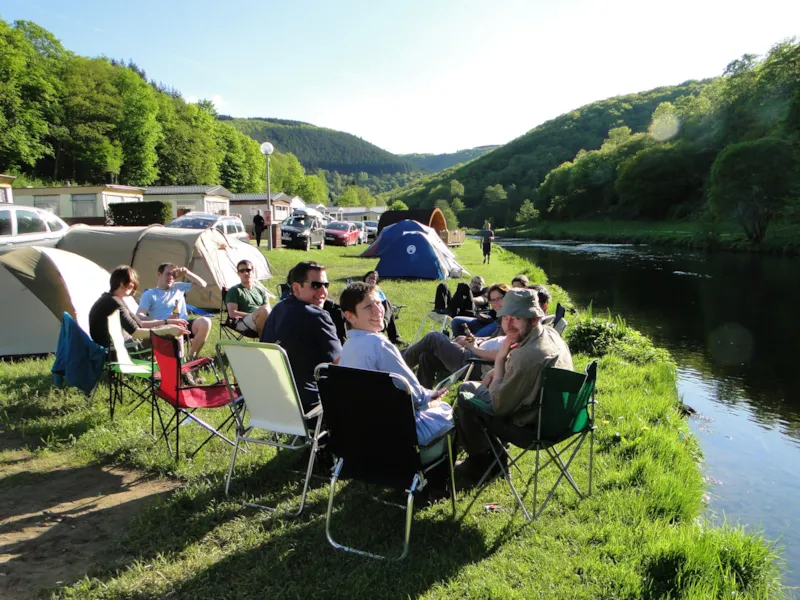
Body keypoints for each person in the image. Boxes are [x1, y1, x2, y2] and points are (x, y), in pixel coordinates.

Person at [453, 288, 573, 479]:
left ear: (534, 319)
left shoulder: (526, 356)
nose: (508, 326)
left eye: (517, 318)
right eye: (505, 318)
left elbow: (498, 406)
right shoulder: (550, 334)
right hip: (560, 421)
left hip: (531, 429)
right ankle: (493, 459)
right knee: (486, 383)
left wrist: (500, 360)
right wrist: (496, 371)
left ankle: (480, 462)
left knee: (465, 390)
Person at [339, 282, 453, 445]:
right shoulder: (378, 343)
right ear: (350, 316)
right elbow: (415, 397)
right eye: (368, 307)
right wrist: (432, 398)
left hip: (362, 431)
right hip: (397, 431)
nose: (378, 310)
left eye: (379, 303)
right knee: (448, 410)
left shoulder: (348, 346)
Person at [260, 261, 342, 411]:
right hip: (309, 406)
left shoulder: (278, 309)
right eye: (316, 285)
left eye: (326, 285)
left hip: (272, 403)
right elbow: (342, 365)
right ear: (296, 288)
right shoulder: (318, 316)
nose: (323, 291)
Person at [89, 265, 189, 352]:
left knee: (167, 333)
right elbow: (136, 333)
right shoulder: (113, 302)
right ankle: (177, 367)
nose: (133, 286)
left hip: (124, 344)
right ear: (121, 282)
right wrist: (167, 330)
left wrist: (168, 322)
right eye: (131, 282)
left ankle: (178, 366)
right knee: (168, 336)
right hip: (116, 350)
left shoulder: (114, 299)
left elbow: (140, 324)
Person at [137, 263, 212, 359]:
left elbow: (203, 285)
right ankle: (179, 362)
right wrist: (164, 321)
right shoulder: (150, 294)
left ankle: (191, 357)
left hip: (183, 324)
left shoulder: (178, 287)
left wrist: (187, 273)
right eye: (168, 274)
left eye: (173, 275)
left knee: (205, 322)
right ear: (159, 274)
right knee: (175, 328)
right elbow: (139, 315)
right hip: (162, 328)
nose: (171, 277)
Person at [402, 324, 506, 389]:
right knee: (426, 356)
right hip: (472, 352)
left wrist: (473, 348)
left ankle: (398, 364)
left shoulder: (514, 337)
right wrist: (467, 340)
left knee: (433, 337)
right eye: (493, 300)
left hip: (477, 363)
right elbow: (487, 339)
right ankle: (423, 395)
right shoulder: (504, 326)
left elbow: (501, 356)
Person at [225, 259, 272, 337]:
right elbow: (232, 313)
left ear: (252, 271)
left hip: (261, 318)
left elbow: (268, 309)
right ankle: (264, 340)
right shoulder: (234, 290)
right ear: (238, 273)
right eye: (242, 271)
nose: (245, 273)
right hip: (242, 322)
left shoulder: (260, 290)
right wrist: (255, 315)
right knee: (263, 311)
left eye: (248, 270)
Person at [363, 270, 404, 345]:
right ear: (365, 279)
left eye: (374, 278)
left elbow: (382, 302)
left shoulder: (378, 291)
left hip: (380, 312)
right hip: (369, 312)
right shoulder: (361, 289)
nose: (371, 280)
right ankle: (393, 337)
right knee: (389, 307)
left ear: (376, 281)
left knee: (388, 305)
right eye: (370, 277)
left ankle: (388, 327)